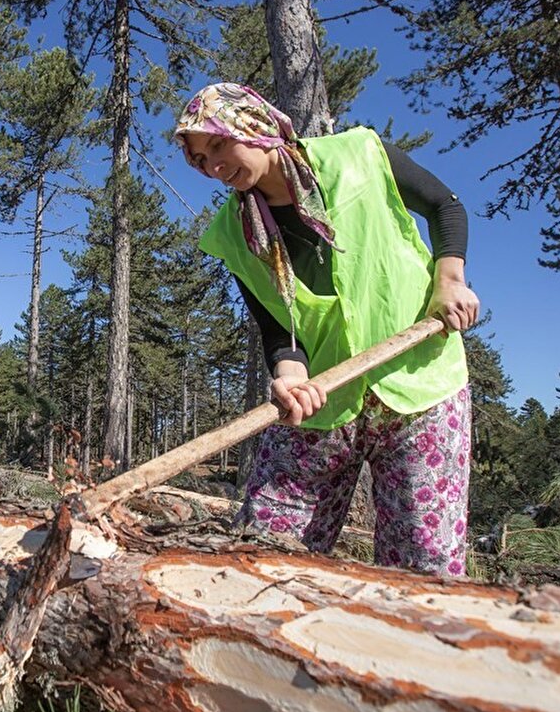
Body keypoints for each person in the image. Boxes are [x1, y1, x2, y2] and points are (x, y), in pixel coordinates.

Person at [174, 83, 479, 576]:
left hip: (420, 384)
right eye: (201, 160)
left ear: (255, 126)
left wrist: (450, 280)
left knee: (424, 566)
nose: (214, 167)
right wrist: (290, 375)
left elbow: (446, 205)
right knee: (262, 552)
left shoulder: (360, 154)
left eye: (219, 144)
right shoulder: (233, 233)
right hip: (323, 401)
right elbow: (277, 326)